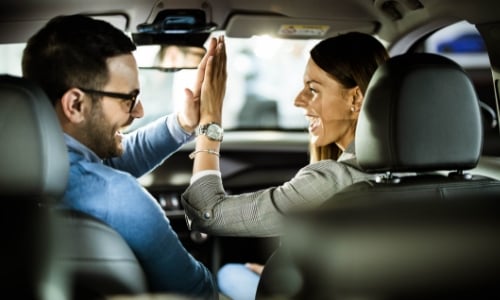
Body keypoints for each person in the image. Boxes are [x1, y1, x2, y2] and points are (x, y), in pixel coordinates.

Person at [21, 14, 227, 299]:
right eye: (128, 99)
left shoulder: (31, 169)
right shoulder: (117, 197)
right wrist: (211, 122)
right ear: (75, 104)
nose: (139, 111)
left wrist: (183, 123)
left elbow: (110, 160)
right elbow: (198, 293)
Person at [181, 31, 390, 299]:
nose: (297, 100)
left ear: (355, 99)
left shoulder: (333, 182)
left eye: (312, 89)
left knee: (229, 274)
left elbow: (206, 211)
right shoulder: (444, 178)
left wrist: (210, 120)